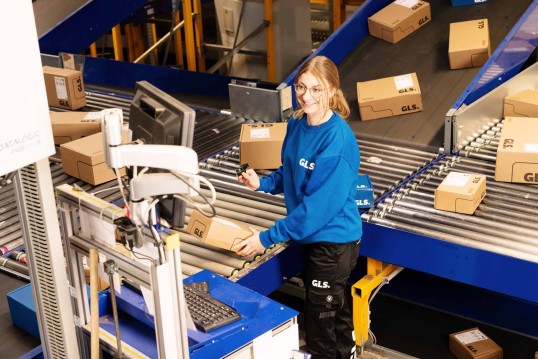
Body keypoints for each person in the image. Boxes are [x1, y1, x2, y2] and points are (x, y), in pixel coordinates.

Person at [232, 55, 362, 359]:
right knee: (333, 308)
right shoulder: (297, 122)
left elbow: (316, 210)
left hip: (333, 241)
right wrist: (261, 183)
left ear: (332, 90)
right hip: (311, 236)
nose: (306, 96)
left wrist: (264, 239)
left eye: (316, 89)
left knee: (319, 322)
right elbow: (289, 171)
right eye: (301, 87)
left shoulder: (338, 142)